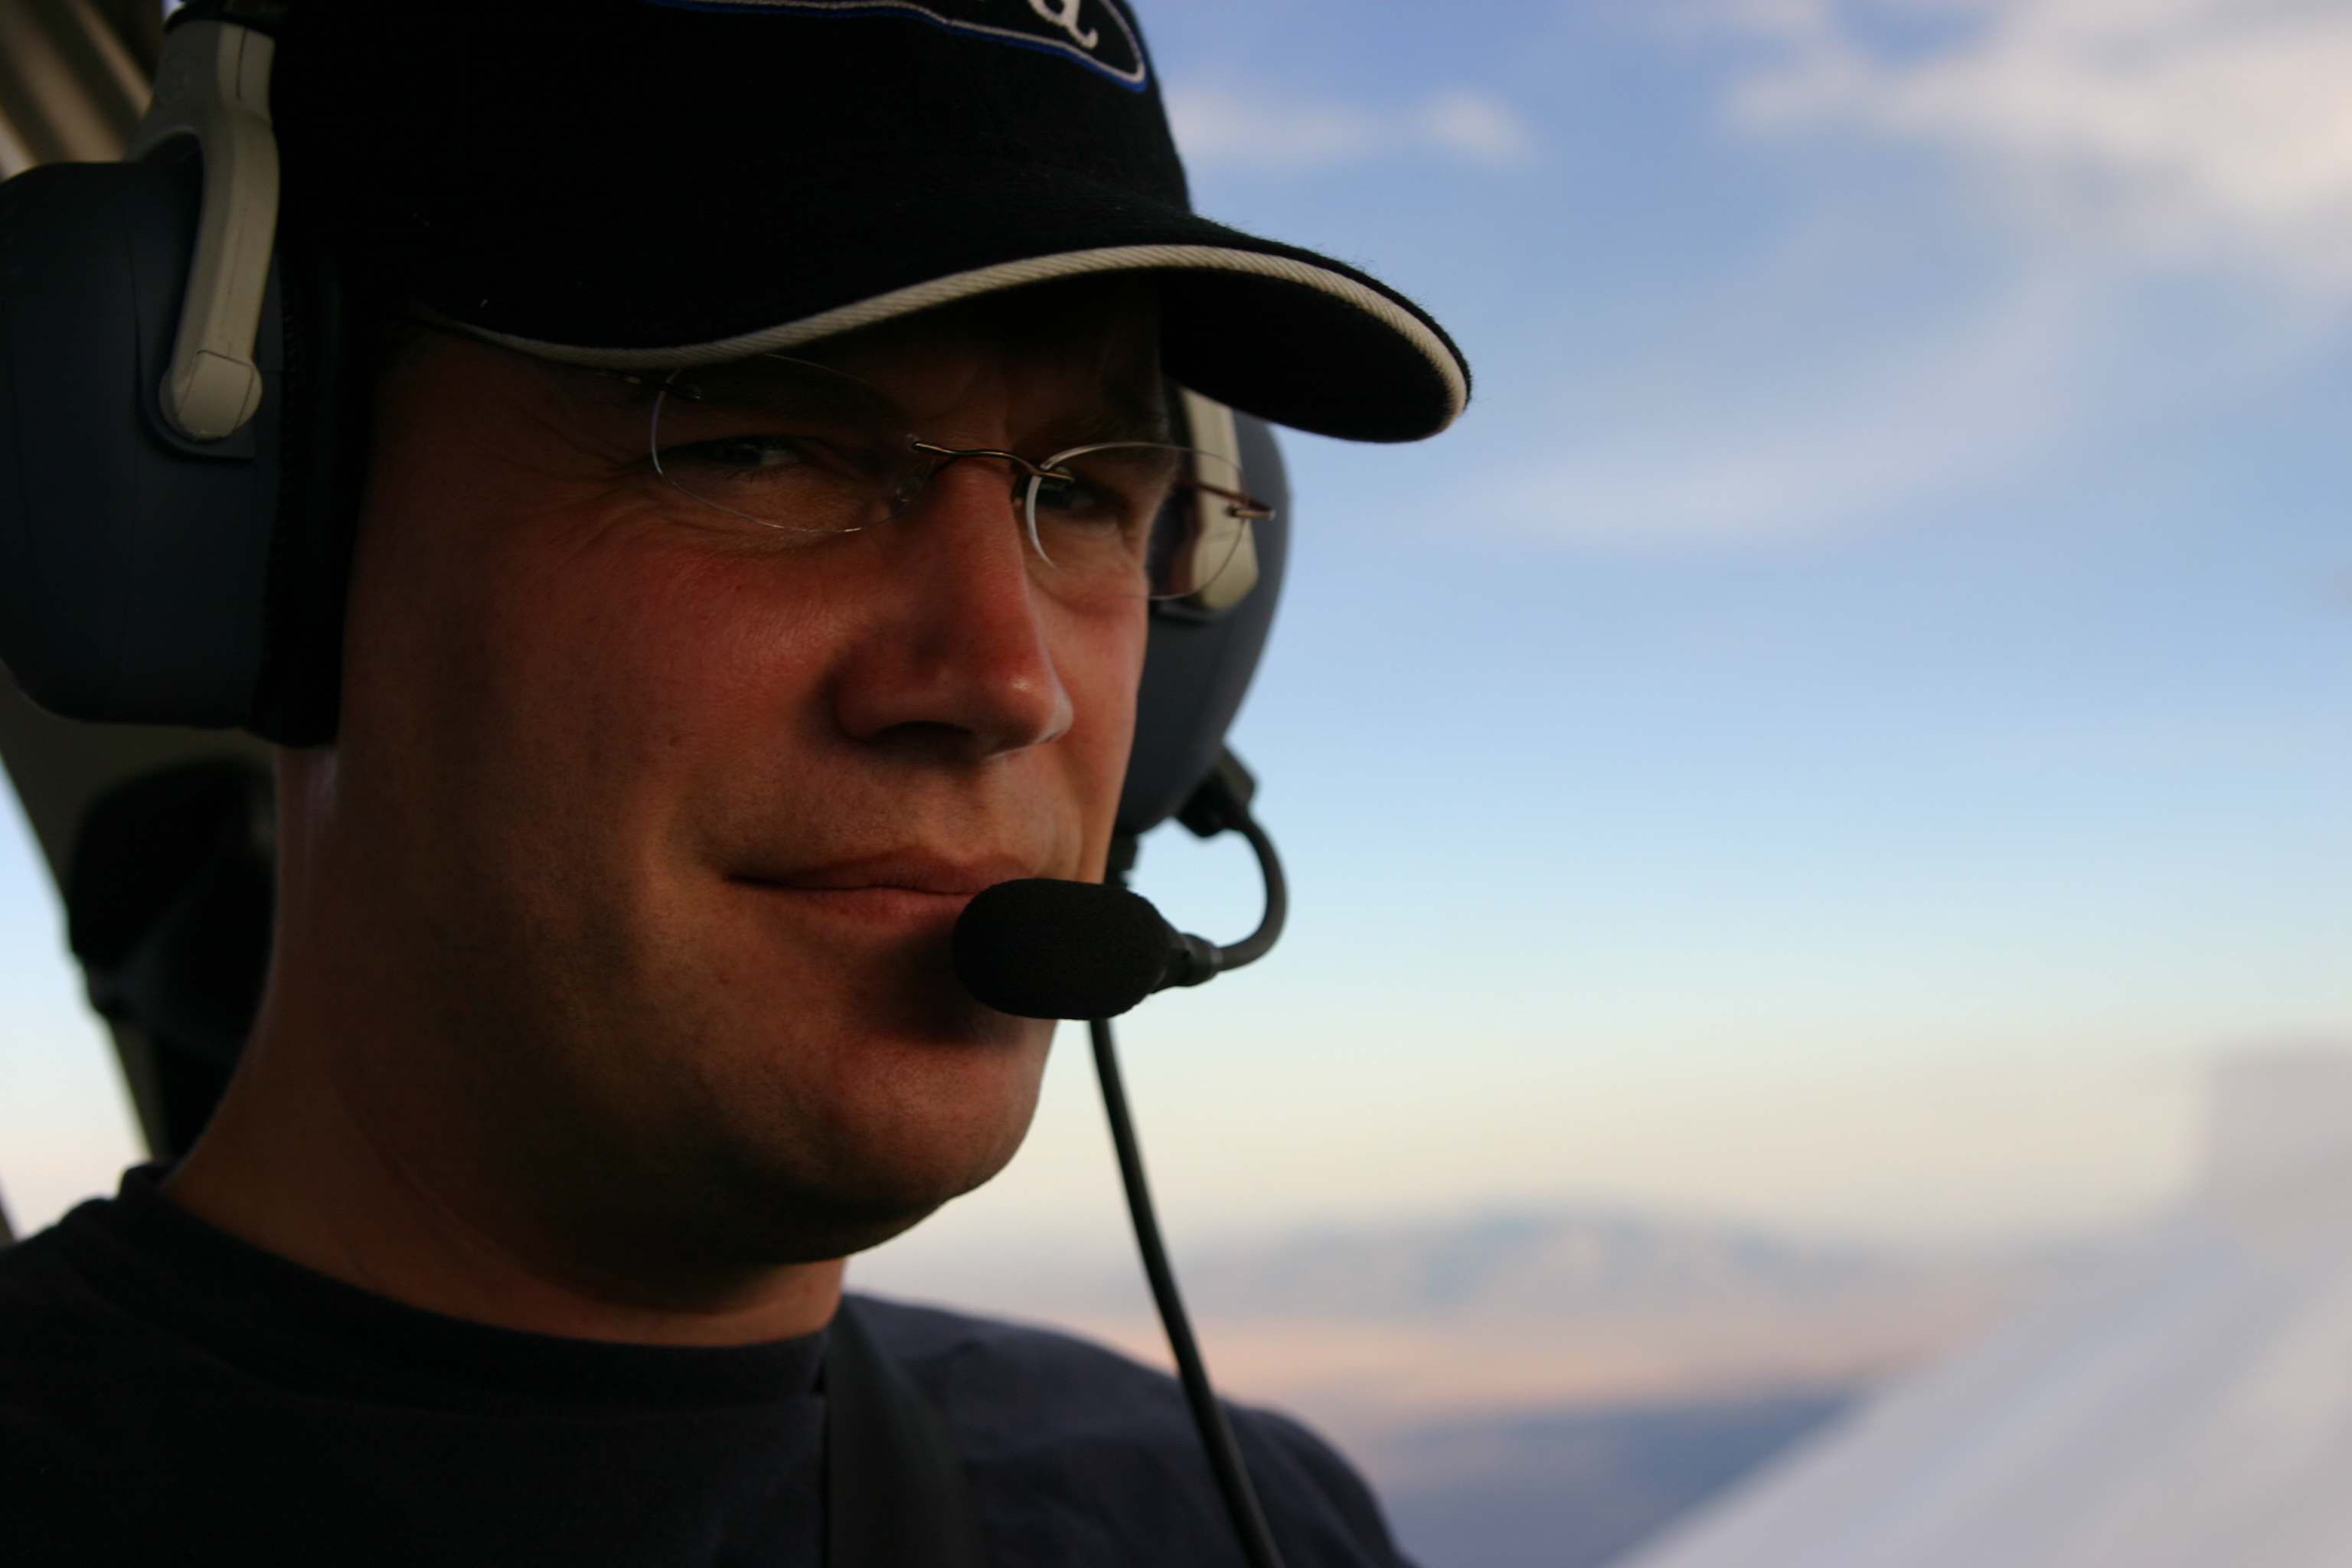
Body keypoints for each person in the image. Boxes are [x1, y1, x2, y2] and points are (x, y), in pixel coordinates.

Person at [0, 2, 1468, 1563]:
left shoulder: (1241, 1519)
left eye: (1091, 495)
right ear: (268, 499)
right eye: (759, 446)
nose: (1006, 683)